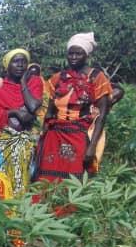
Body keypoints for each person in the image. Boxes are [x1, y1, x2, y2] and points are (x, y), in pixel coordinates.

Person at [36, 33, 112, 183]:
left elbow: (102, 116)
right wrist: (41, 135)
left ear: (86, 55)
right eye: (71, 53)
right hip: (54, 134)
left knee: (74, 179)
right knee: (48, 177)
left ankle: (68, 207)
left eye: (78, 53)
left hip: (80, 134)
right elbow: (49, 110)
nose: (74, 57)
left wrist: (92, 147)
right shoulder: (58, 77)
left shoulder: (96, 77)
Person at [0, 49, 44, 195]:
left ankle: (19, 212)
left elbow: (32, 107)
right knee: (1, 181)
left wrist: (23, 81)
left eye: (24, 61)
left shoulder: (34, 82)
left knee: (24, 181)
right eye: (16, 61)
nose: (20, 65)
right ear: (7, 65)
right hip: (2, 140)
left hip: (26, 140)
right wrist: (13, 112)